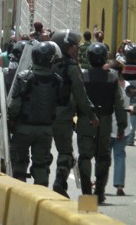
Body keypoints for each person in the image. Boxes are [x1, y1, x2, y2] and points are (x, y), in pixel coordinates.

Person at [50, 29, 99, 198]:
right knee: (66, 155)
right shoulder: (71, 67)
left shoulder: (43, 62)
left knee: (39, 156)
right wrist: (91, 114)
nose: (77, 50)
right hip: (62, 118)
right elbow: (81, 95)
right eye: (74, 47)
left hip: (40, 117)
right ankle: (59, 182)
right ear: (65, 47)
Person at [78, 43, 127, 204]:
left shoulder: (83, 75)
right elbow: (119, 104)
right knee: (103, 157)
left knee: (85, 157)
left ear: (89, 58)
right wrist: (121, 125)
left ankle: (86, 192)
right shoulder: (112, 77)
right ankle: (99, 191)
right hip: (105, 121)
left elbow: (76, 99)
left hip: (86, 119)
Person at [8, 42, 62, 186]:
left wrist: (10, 120)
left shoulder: (24, 77)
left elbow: (14, 105)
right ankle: (41, 197)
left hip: (23, 129)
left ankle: (20, 195)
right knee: (41, 166)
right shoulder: (57, 80)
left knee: (19, 163)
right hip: (45, 130)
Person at [107, 59, 133, 196]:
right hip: (124, 127)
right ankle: (119, 186)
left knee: (104, 156)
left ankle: (100, 182)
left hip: (109, 126)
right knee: (120, 156)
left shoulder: (108, 85)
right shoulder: (128, 85)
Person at [122, 43, 136, 146]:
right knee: (133, 112)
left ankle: (122, 133)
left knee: (123, 108)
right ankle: (130, 138)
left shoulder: (122, 65)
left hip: (124, 89)